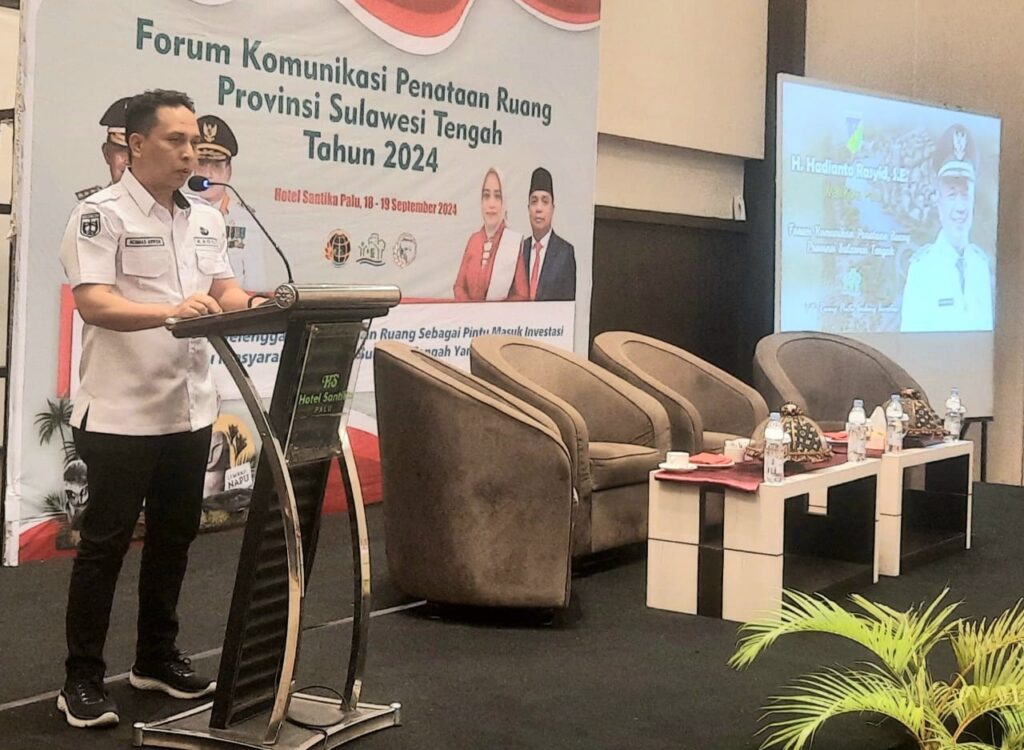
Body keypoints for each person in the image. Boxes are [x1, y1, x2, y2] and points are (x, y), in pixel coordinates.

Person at [56, 89, 265, 729]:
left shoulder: (204, 217)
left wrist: (260, 304)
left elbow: (223, 288)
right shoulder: (100, 215)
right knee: (104, 548)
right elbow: (94, 303)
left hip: (189, 411)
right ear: (137, 144)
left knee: (175, 540)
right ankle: (80, 679)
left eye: (194, 143)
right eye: (176, 141)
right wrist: (171, 312)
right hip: (121, 415)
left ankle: (155, 659)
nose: (189, 153)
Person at [900, 124, 994, 332]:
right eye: (952, 195)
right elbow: (910, 344)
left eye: (965, 195)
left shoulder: (981, 265)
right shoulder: (922, 269)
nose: (960, 208)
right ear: (938, 200)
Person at [189, 114, 268, 291]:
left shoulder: (246, 218)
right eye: (202, 164)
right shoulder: (178, 210)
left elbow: (255, 282)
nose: (208, 174)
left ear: (229, 171)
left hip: (233, 304)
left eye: (216, 166)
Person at [452, 167, 523, 300]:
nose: (491, 204)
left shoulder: (512, 243)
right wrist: (470, 308)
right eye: (486, 196)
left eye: (497, 196)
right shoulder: (474, 240)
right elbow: (459, 287)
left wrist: (494, 311)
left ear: (504, 202)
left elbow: (522, 295)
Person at [509, 167, 576, 301]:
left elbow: (567, 306)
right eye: (534, 201)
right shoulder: (519, 250)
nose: (538, 208)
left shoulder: (564, 253)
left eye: (545, 201)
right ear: (528, 208)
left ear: (552, 209)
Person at [75, 96, 131, 201]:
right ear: (107, 154)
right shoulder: (91, 205)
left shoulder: (164, 206)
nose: (129, 160)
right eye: (122, 150)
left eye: (138, 151)